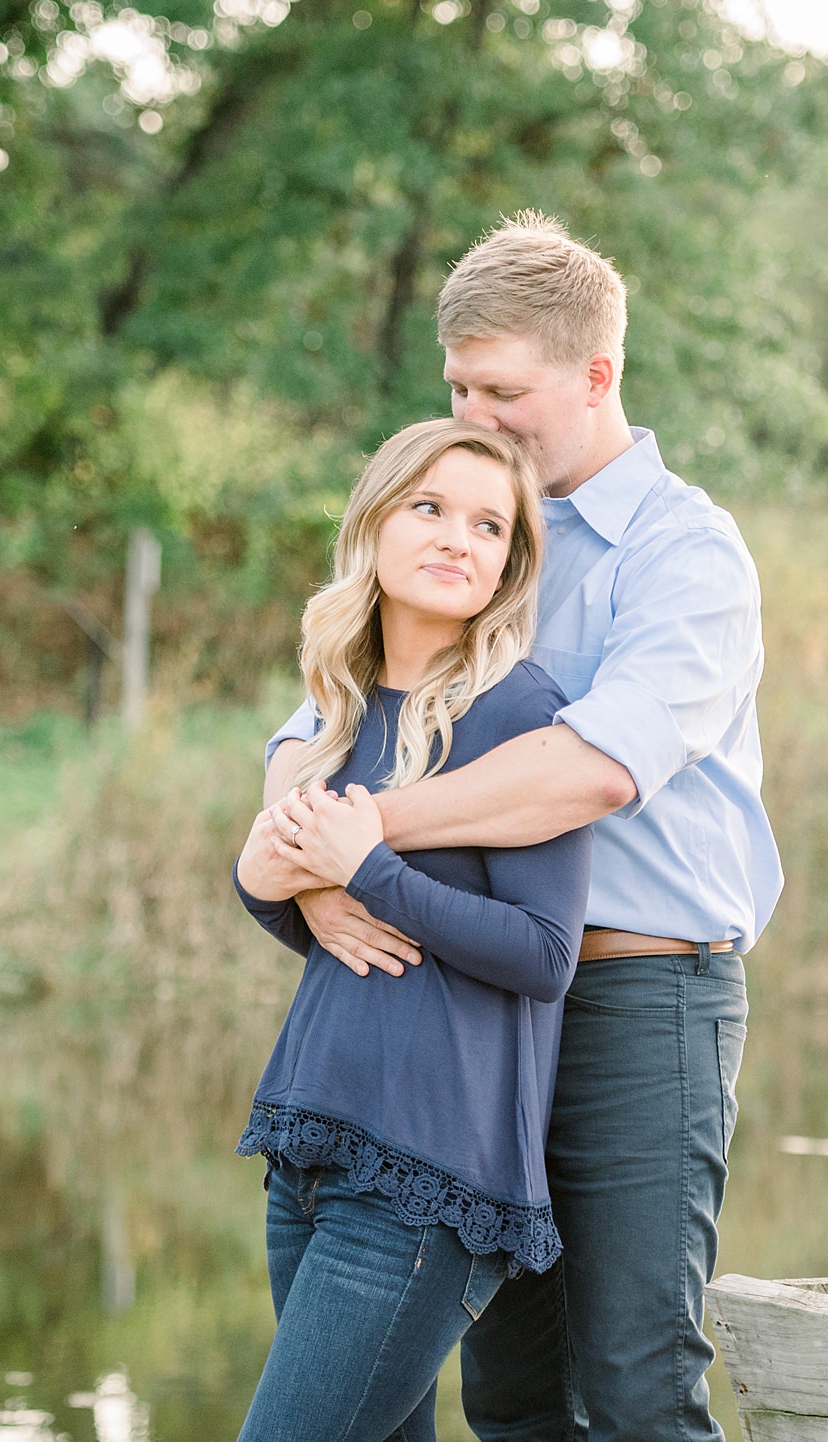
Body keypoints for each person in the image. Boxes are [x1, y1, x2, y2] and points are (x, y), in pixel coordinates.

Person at [262, 212, 777, 1442]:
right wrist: (312, 859)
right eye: (458, 388)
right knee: (509, 1393)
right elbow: (314, 720)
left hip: (640, 999)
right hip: (471, 1003)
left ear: (597, 376)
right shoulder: (472, 527)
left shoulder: (684, 554)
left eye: (506, 391)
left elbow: (589, 772)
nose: (478, 417)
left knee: (636, 1385)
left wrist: (362, 838)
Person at [231, 418, 595, 1442]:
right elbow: (319, 906)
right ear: (375, 523)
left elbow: (543, 954)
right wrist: (265, 885)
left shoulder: (524, 714)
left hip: (427, 1179)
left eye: (489, 526)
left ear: (508, 566)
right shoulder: (337, 709)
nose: (458, 539)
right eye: (430, 508)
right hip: (311, 1143)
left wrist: (374, 871)